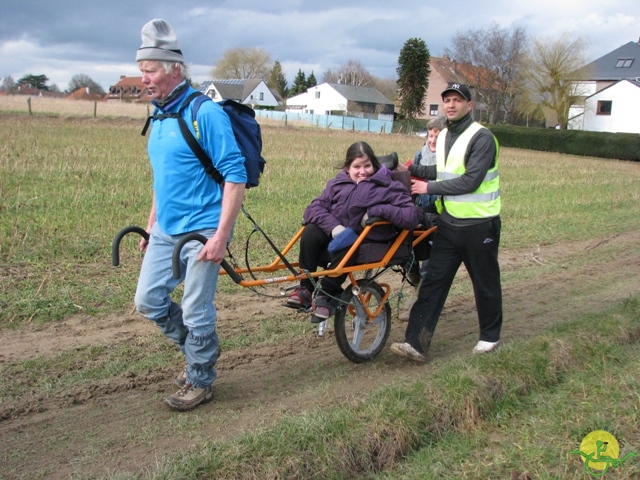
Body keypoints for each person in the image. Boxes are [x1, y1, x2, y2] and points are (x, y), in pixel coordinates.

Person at [133, 19, 247, 410]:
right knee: (148, 300)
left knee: (197, 309)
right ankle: (199, 352)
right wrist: (151, 226)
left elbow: (236, 177)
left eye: (150, 70)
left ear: (174, 69)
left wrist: (220, 236)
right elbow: (161, 180)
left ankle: (200, 378)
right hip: (167, 229)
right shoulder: (158, 115)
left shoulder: (205, 113)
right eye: (142, 70)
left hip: (203, 229)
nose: (144, 78)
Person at [390, 83, 503, 362]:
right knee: (433, 283)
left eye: (457, 100)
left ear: (470, 104)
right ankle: (414, 342)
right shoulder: (442, 137)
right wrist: (410, 169)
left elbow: (471, 180)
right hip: (449, 224)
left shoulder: (483, 138)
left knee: (485, 284)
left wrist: (429, 189)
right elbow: (443, 170)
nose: (451, 105)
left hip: (479, 225)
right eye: (447, 100)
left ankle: (490, 337)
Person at [285, 141, 421, 322]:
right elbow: (313, 208)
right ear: (348, 168)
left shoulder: (387, 186)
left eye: (367, 166)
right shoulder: (337, 183)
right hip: (336, 235)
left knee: (349, 240)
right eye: (357, 167)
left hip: (365, 239)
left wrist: (377, 211)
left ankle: (327, 294)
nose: (362, 171)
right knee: (310, 230)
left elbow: (411, 215)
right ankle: (305, 288)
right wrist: (334, 227)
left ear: (374, 165)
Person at [396, 115, 446, 320]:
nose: (433, 140)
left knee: (429, 263)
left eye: (438, 136)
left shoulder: (449, 159)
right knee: (406, 255)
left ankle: (418, 303)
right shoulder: (419, 155)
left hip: (437, 215)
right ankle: (418, 290)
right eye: (430, 135)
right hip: (417, 213)